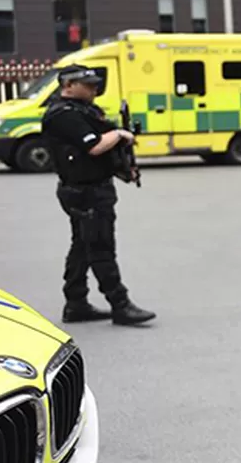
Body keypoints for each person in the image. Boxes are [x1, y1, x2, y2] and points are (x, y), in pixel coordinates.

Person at [41, 64, 156, 326]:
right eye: (88, 84)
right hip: (86, 192)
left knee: (82, 247)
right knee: (101, 247)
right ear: (68, 85)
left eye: (95, 84)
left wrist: (123, 169)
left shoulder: (84, 111)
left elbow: (100, 154)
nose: (95, 88)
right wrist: (118, 134)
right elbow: (93, 147)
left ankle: (76, 303)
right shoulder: (64, 114)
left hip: (90, 187)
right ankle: (120, 304)